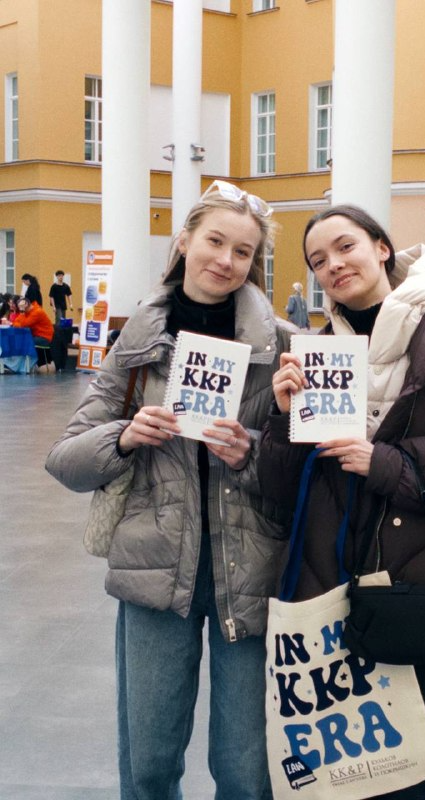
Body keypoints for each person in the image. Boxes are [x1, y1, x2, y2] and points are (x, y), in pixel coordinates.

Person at [258, 205, 425, 800]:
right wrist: (282, 419)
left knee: (413, 775)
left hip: (420, 588)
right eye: (318, 260)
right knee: (343, 777)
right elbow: (279, 492)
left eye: (345, 246)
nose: (333, 265)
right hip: (333, 591)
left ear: (382, 248)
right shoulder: (316, 353)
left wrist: (388, 463)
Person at [45, 180, 293, 800]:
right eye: (215, 241)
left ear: (254, 261)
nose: (225, 260)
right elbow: (65, 460)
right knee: (150, 765)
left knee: (247, 772)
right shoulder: (137, 344)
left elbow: (311, 469)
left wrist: (253, 452)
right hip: (154, 569)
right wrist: (125, 435)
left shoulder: (282, 345)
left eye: (242, 251)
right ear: (184, 241)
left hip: (252, 570)